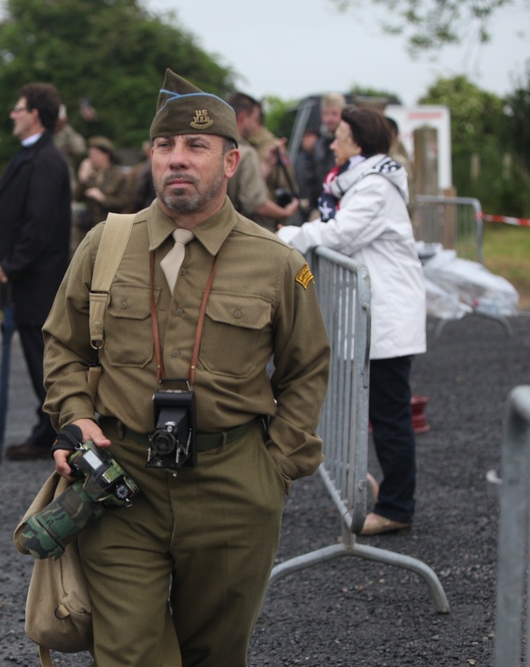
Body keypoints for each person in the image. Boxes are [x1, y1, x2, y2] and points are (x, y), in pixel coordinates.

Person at [42, 69, 330, 666]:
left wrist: (275, 469)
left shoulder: (278, 263)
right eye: (164, 146)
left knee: (215, 655)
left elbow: (306, 367)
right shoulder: (105, 243)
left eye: (196, 147)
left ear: (230, 162)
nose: (177, 160)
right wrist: (76, 417)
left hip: (232, 486)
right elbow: (63, 346)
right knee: (128, 654)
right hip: (122, 483)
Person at [278, 106, 426, 536]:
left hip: (387, 316)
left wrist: (285, 238)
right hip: (373, 314)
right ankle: (364, 480)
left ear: (358, 143)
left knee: (389, 413)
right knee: (368, 407)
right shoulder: (358, 182)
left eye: (339, 135)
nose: (332, 143)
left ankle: (398, 506)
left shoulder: (375, 186)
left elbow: (339, 233)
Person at [0, 83, 72, 461]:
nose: (12, 114)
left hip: (39, 281)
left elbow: (39, 225)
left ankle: (57, 432)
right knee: (37, 358)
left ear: (35, 114)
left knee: (45, 361)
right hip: (28, 281)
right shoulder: (31, 155)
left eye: (18, 108)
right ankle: (48, 428)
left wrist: (10, 263)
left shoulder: (46, 160)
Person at [226, 92, 300, 230]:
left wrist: (266, 165)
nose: (258, 125)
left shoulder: (216, 148)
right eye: (255, 119)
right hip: (248, 230)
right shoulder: (246, 153)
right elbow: (255, 202)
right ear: (243, 117)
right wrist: (286, 212)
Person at [72, 135, 130, 251]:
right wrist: (83, 178)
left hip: (108, 231)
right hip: (88, 232)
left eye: (95, 154)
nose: (91, 158)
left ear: (106, 155)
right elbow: (76, 197)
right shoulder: (90, 174)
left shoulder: (118, 176)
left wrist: (102, 198)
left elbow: (124, 202)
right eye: (90, 155)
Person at [312, 92, 346, 190]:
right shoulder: (319, 143)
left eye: (334, 113)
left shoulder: (349, 142)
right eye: (325, 113)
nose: (329, 118)